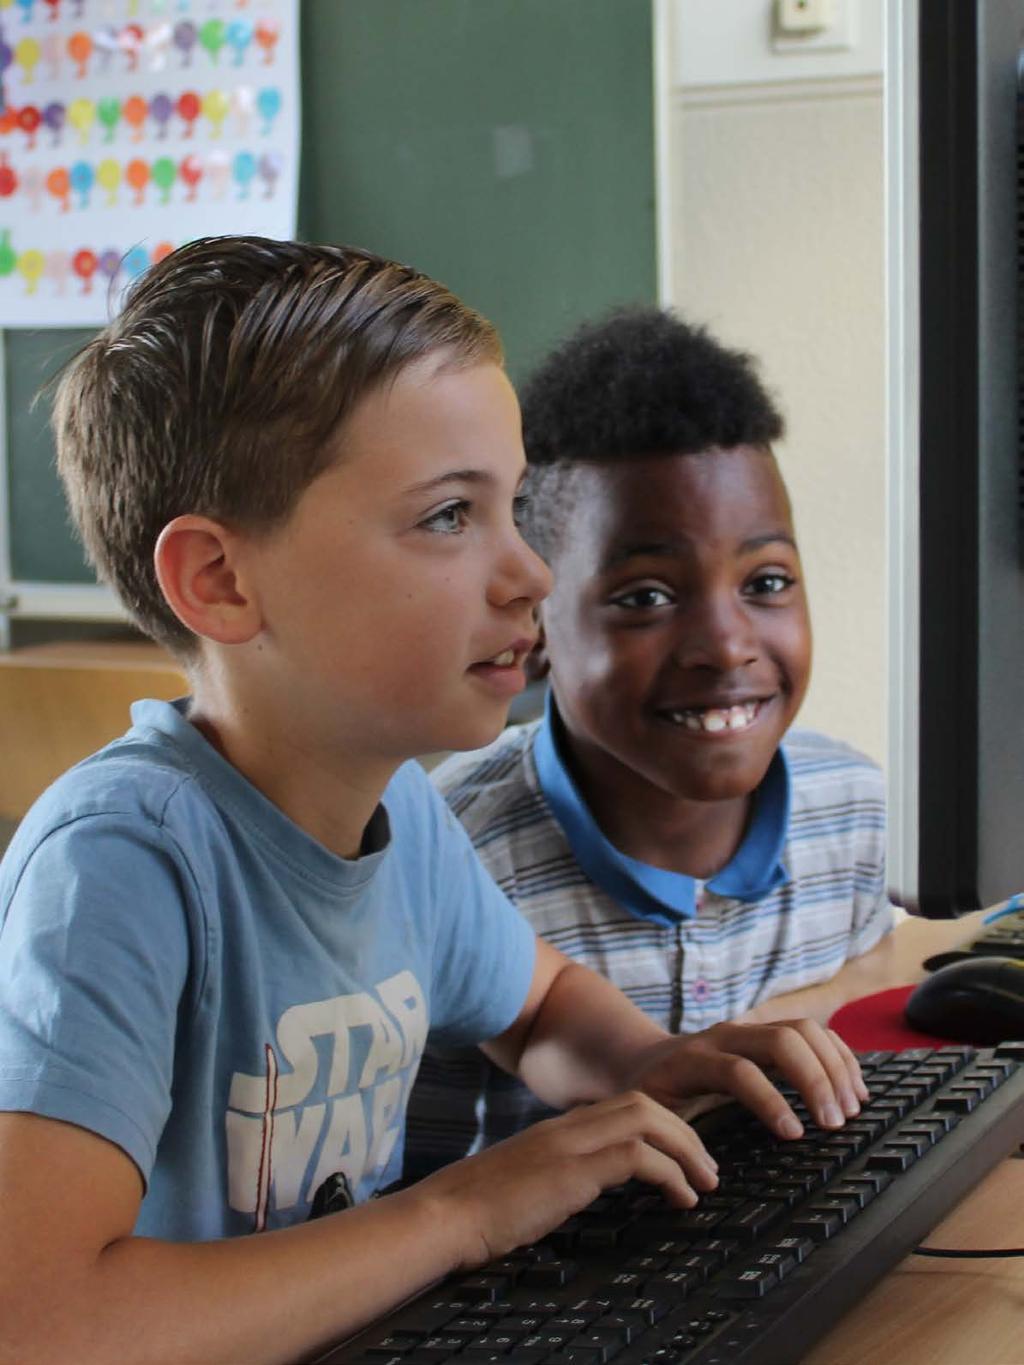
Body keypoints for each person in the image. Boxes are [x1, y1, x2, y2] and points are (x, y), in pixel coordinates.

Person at [0, 242, 866, 1364]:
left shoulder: (399, 815)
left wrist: (645, 1064)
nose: (531, 576)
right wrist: (458, 1213)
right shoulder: (124, 861)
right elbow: (38, 1319)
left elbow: (535, 1000)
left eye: (513, 510)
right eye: (450, 518)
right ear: (220, 581)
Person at [406, 306, 893, 1177]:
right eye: (646, 597)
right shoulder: (451, 858)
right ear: (538, 621)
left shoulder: (854, 810)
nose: (727, 644)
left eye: (767, 581)